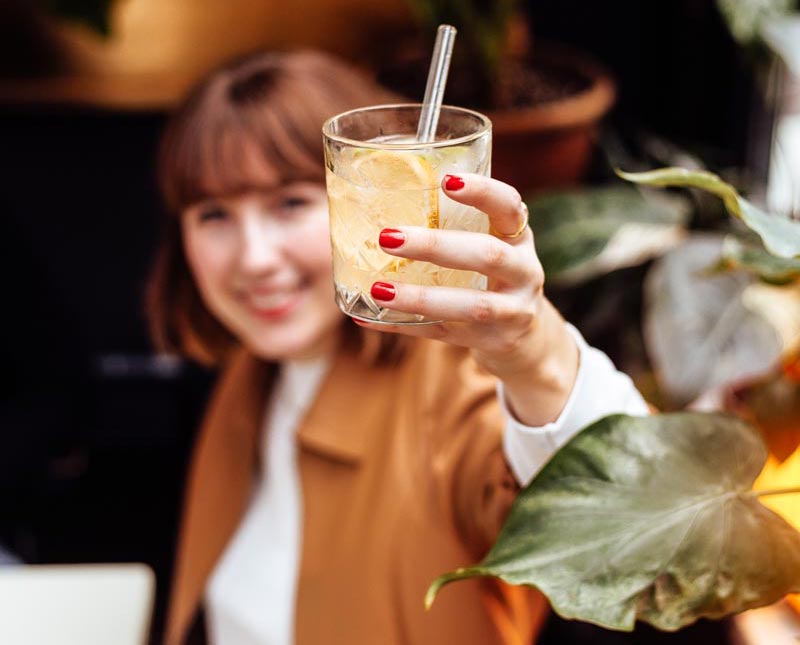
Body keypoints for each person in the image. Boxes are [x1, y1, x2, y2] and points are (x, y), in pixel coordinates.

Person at [149, 50, 649, 645]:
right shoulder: (250, 374)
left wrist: (534, 353)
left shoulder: (451, 387)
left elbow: (633, 523)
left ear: (371, 200)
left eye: (290, 203)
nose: (254, 257)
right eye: (213, 214)